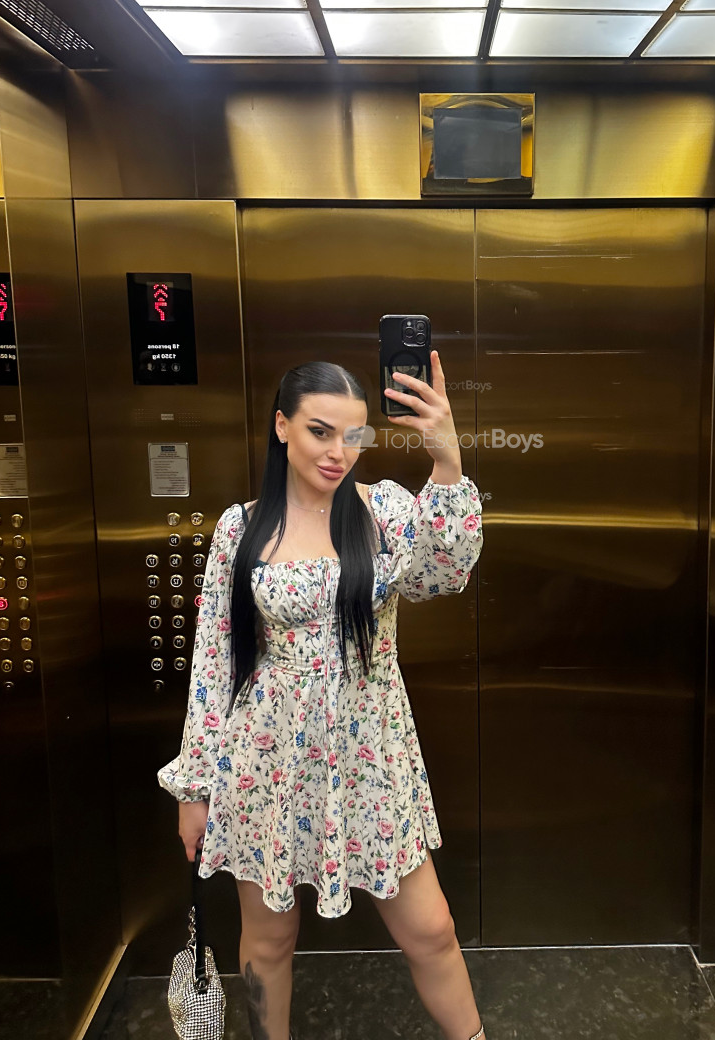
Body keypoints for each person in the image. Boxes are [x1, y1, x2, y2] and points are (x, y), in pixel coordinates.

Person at [157, 351, 486, 1040]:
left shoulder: (383, 511)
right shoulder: (241, 529)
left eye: (353, 435)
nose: (339, 452)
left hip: (370, 755)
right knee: (269, 939)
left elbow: (444, 571)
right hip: (267, 759)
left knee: (432, 928)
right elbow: (214, 663)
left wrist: (446, 457)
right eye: (319, 431)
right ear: (281, 427)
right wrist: (194, 789)